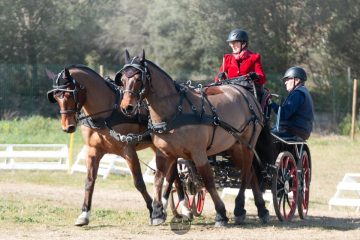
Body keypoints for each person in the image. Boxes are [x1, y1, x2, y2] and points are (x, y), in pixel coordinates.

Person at [215, 28, 266, 98]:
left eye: (235, 42)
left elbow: (262, 78)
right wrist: (220, 77)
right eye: (231, 43)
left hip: (249, 92)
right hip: (230, 91)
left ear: (244, 43)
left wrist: (256, 76)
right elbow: (217, 80)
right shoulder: (227, 59)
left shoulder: (254, 57)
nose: (232, 45)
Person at [271, 66, 314, 140]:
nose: (285, 82)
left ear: (296, 80)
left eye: (288, 79)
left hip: (293, 131)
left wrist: (270, 103)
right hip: (300, 131)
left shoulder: (297, 93)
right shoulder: (303, 92)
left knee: (264, 136)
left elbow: (283, 114)